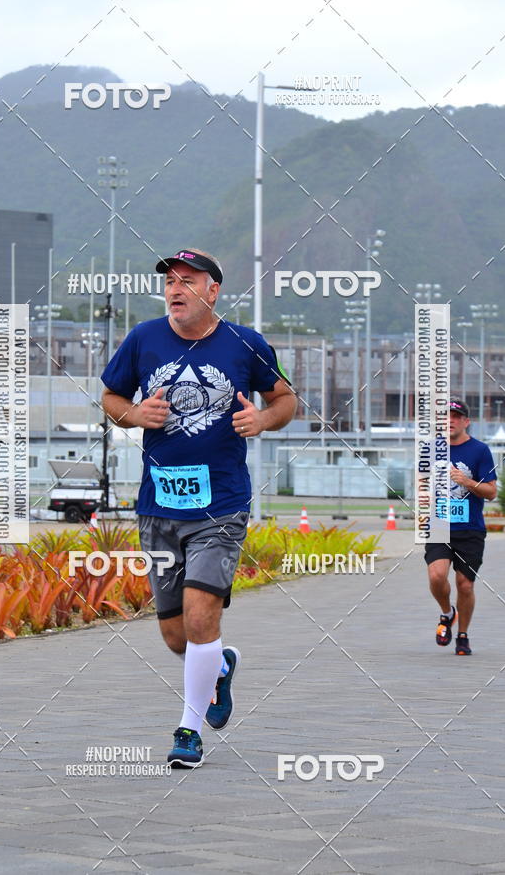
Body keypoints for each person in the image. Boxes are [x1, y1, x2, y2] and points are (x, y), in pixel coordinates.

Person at [101, 248, 297, 767]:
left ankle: (189, 730)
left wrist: (263, 420)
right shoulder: (143, 338)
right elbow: (110, 398)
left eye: (187, 280)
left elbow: (285, 399)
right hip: (157, 505)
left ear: (212, 291)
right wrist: (134, 414)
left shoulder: (244, 344)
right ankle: (219, 666)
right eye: (169, 281)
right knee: (174, 635)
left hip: (222, 505)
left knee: (199, 612)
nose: (175, 289)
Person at [425, 399, 497, 655]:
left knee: (465, 584)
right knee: (436, 576)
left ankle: (463, 635)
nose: (450, 420)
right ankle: (447, 613)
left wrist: (466, 481)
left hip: (471, 529)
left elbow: (491, 492)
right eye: (446, 416)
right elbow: (425, 486)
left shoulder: (480, 451)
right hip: (439, 527)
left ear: (466, 421)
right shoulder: (431, 450)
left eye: (456, 416)